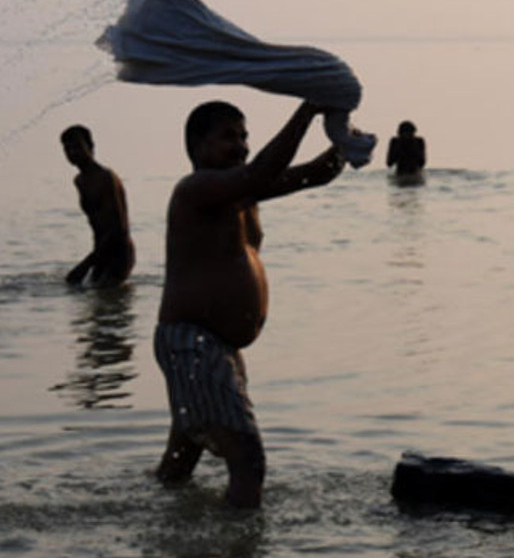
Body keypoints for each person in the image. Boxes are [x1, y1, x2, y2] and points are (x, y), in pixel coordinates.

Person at [154, 99, 348, 509]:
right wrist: (308, 110)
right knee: (249, 462)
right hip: (194, 343)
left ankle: (163, 528)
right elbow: (262, 170)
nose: (241, 145)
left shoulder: (242, 194)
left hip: (215, 347)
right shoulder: (196, 189)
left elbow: (315, 175)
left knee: (182, 459)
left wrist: (345, 144)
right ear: (196, 147)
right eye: (228, 137)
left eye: (244, 136)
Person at [60, 125, 135, 288]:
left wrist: (85, 265)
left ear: (91, 147)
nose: (73, 153)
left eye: (77, 147)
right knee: (95, 303)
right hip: (100, 252)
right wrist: (93, 261)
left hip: (119, 252)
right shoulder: (80, 181)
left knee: (105, 303)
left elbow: (119, 229)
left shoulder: (106, 178)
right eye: (67, 149)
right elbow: (97, 225)